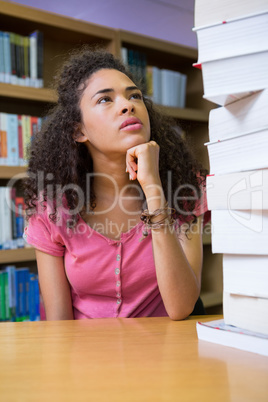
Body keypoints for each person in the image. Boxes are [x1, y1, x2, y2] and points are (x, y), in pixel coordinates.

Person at [23, 46, 210, 321]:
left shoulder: (184, 188)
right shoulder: (52, 208)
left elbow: (181, 306)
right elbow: (59, 326)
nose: (128, 105)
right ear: (79, 130)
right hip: (86, 357)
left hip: (166, 356)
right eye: (104, 100)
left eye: (134, 95)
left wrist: (153, 187)